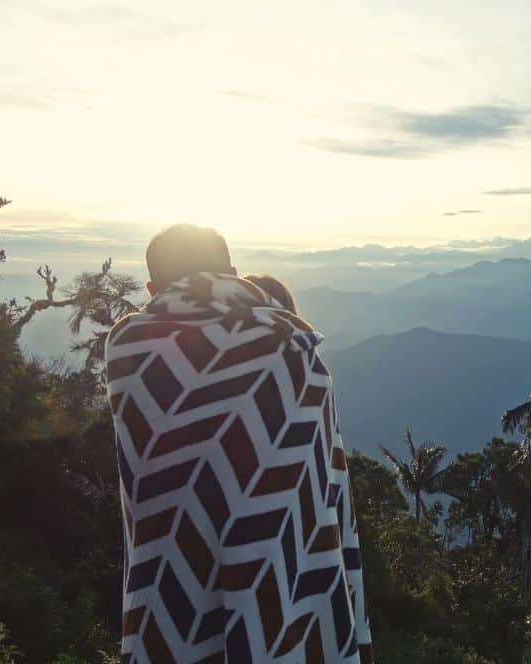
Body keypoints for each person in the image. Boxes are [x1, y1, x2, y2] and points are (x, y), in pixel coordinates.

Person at [105, 224, 372, 663]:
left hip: (171, 594)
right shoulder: (291, 349)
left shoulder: (128, 348)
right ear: (233, 273)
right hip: (286, 595)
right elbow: (327, 495)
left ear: (152, 287)